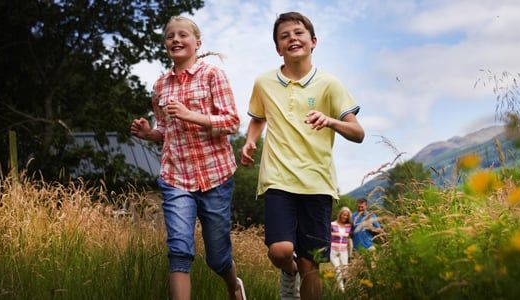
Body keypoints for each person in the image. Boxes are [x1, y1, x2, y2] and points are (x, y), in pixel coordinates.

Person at [239, 11, 365, 300]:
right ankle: (288, 271)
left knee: (311, 264)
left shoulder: (330, 84)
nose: (292, 38)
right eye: (284, 36)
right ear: (277, 48)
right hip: (278, 179)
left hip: (317, 182)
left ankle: (299, 277)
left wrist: (331, 120)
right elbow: (258, 116)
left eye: (298, 33)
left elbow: (358, 133)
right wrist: (250, 141)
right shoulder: (264, 83)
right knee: (280, 250)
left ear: (313, 41)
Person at [129, 15, 246, 300]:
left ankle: (234, 286)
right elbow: (166, 130)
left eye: (182, 35)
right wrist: (148, 133)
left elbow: (231, 122)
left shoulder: (212, 75)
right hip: (176, 175)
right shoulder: (160, 86)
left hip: (214, 176)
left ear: (197, 43)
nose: (176, 40)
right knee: (179, 249)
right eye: (170, 36)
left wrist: (191, 114)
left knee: (217, 257)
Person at [330, 207, 353, 292]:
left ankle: (346, 288)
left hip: (344, 251)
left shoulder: (349, 226)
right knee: (337, 270)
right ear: (340, 214)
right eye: (344, 215)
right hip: (333, 251)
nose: (345, 217)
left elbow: (349, 238)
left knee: (345, 272)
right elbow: (327, 238)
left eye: (347, 216)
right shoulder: (332, 224)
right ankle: (342, 291)